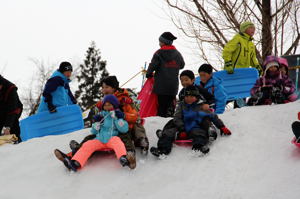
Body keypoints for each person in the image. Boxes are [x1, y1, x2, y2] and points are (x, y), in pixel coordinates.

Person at [61, 94, 135, 171]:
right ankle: (76, 163)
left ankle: (123, 157)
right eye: (105, 105)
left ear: (114, 105)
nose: (107, 107)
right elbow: (94, 132)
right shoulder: (101, 116)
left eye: (109, 105)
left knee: (117, 142)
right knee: (88, 144)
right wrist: (96, 125)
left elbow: (124, 129)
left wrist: (117, 119)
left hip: (111, 138)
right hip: (100, 139)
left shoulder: (118, 115)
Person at [150, 85, 224, 158]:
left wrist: (221, 127)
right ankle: (162, 150)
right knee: (169, 131)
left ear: (196, 97)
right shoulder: (181, 105)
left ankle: (198, 148)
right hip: (181, 125)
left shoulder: (201, 106)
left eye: (191, 97)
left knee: (199, 133)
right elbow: (177, 117)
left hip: (195, 126)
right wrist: (181, 128)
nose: (189, 99)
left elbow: (212, 116)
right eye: (187, 96)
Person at [178, 70, 231, 138]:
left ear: (193, 79)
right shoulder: (182, 93)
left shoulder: (199, 89)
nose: (184, 82)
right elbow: (181, 105)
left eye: (186, 80)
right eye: (182, 81)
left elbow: (211, 98)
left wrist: (207, 104)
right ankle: (171, 133)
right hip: (187, 115)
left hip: (200, 112)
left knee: (204, 120)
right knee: (176, 122)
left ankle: (210, 130)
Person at [146, 31, 185, 117]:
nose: (159, 43)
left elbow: (153, 65)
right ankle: (169, 123)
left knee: (161, 107)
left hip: (160, 86)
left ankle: (161, 124)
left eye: (160, 41)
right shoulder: (177, 54)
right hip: (173, 86)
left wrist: (148, 73)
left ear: (163, 42)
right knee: (170, 107)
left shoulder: (159, 53)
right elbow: (182, 65)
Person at [0, 75, 23, 142]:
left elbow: (13, 110)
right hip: (1, 110)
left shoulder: (11, 89)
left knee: (13, 129)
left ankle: (18, 142)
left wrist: (7, 127)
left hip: (14, 110)